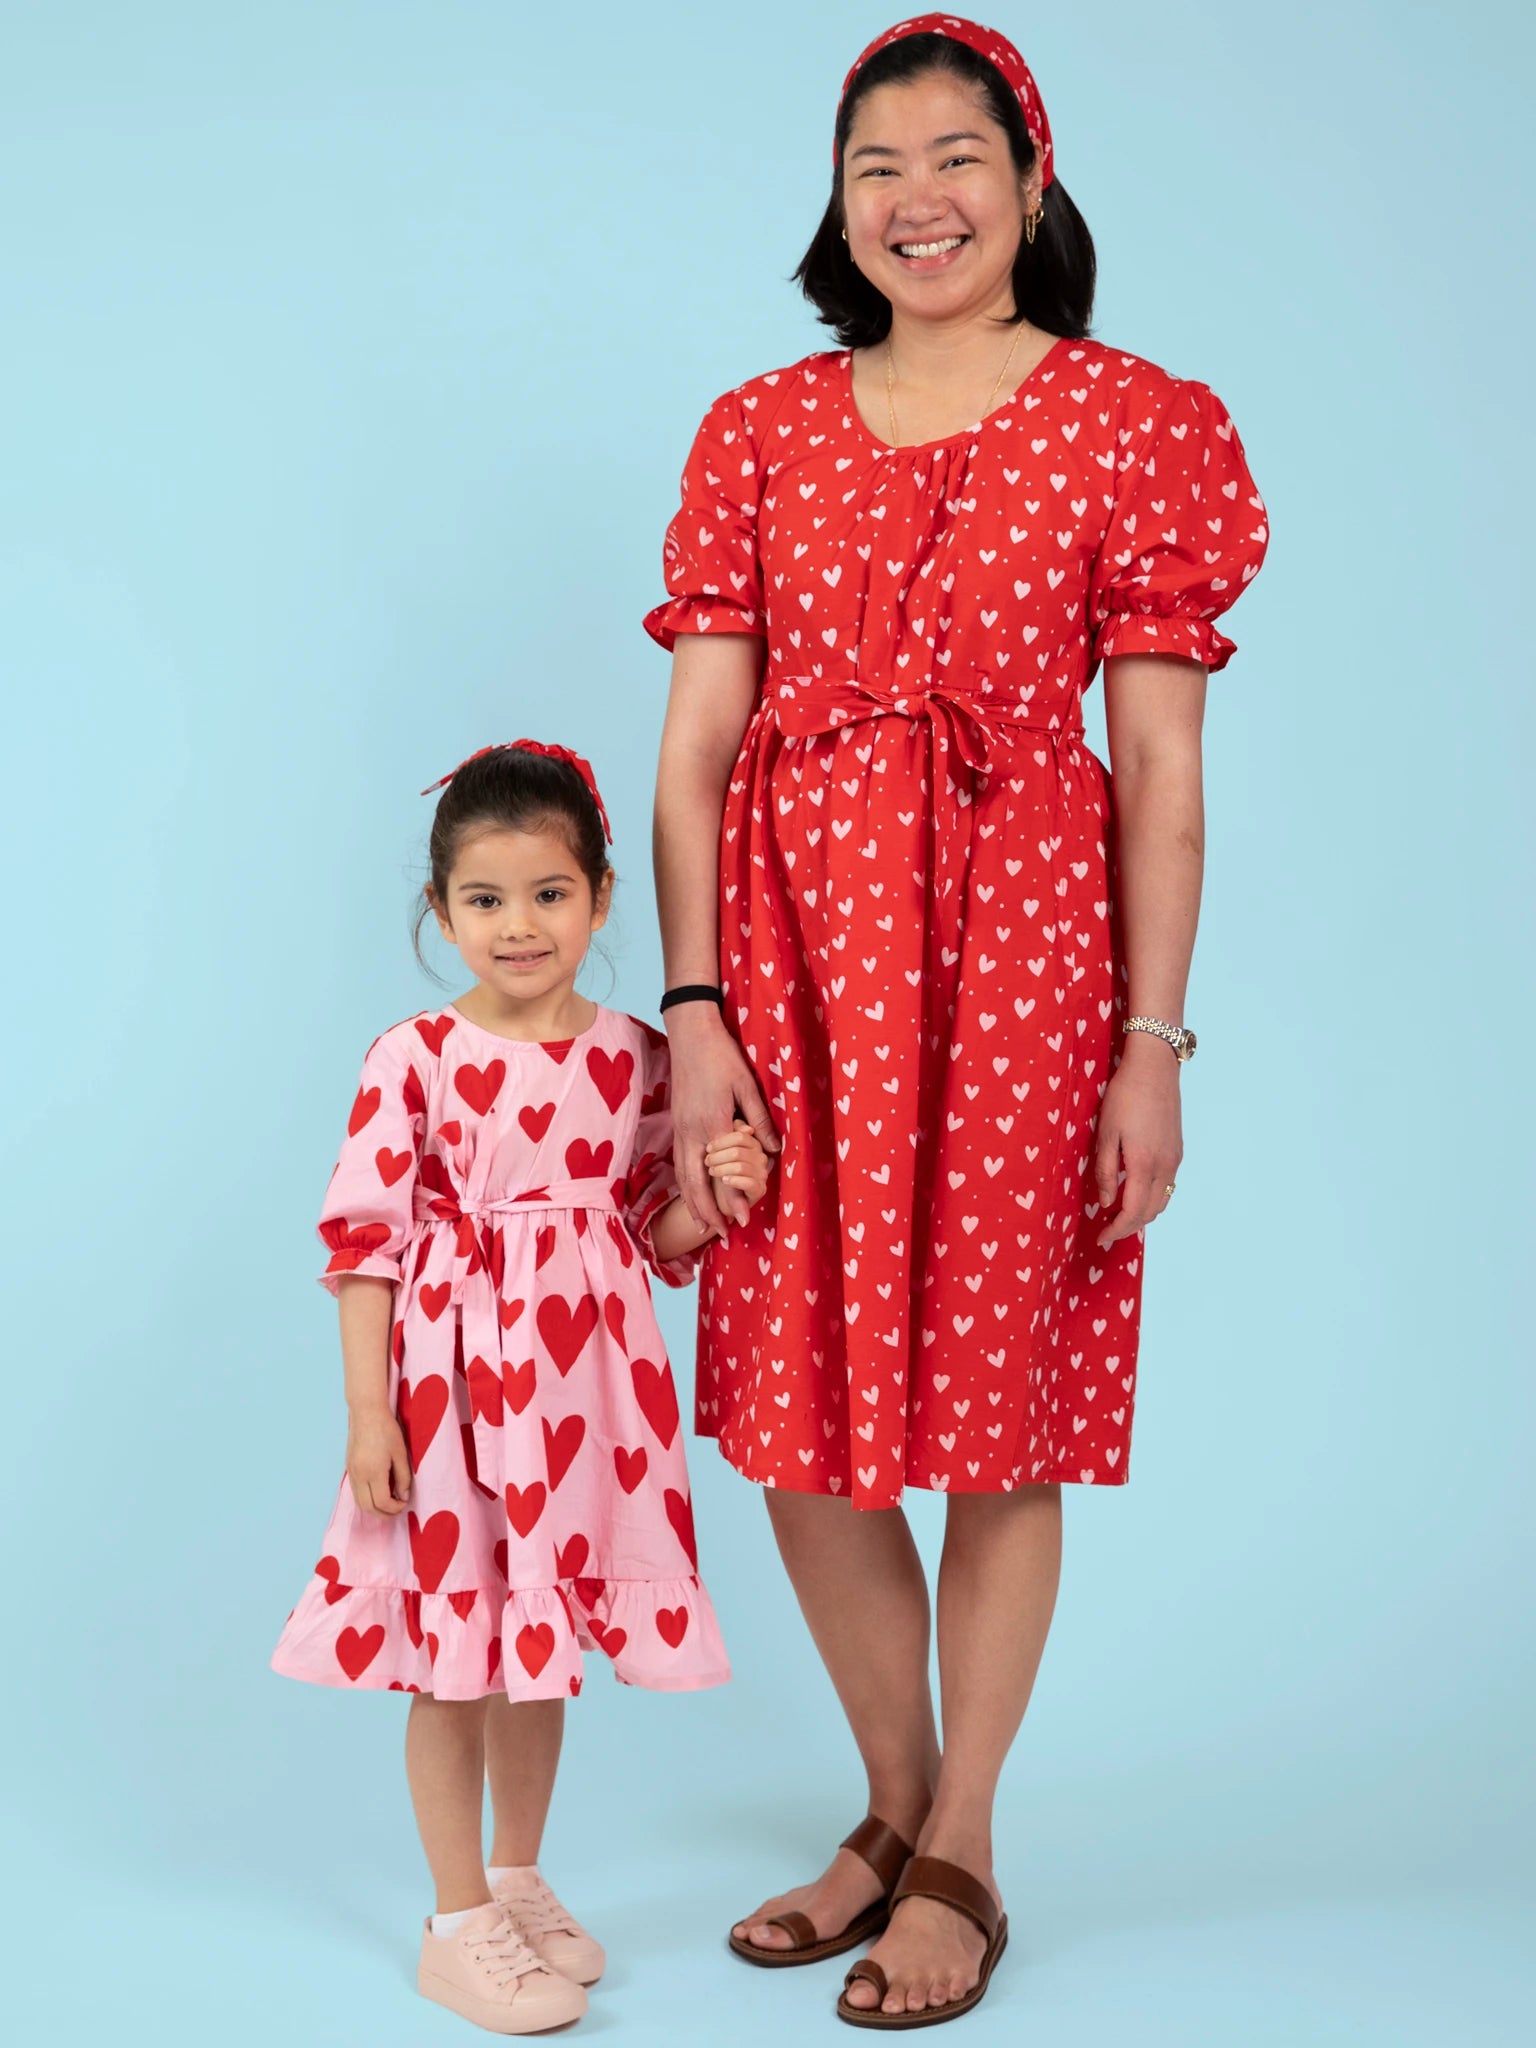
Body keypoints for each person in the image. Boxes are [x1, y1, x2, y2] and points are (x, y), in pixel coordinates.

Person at [646, 14, 1269, 2029]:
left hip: (1022, 967)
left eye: (955, 158)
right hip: (792, 975)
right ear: (840, 211)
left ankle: (966, 1843)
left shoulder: (1140, 422)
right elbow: (690, 761)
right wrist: (691, 1013)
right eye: (873, 168)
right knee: (804, 1424)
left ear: (1029, 183)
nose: (916, 197)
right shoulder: (756, 426)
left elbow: (1160, 770)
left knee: (999, 1421)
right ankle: (899, 1815)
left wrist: (1153, 1044)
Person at [272, 740, 769, 2035]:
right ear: (441, 914)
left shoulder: (639, 1058)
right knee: (455, 1657)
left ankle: (514, 1875)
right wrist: (369, 1412)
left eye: (549, 894)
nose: (519, 925)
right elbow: (363, 1247)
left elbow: (644, 1238)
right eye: (485, 900)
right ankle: (453, 1925)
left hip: (584, 1404)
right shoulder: (415, 1058)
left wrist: (713, 1200)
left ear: (602, 897)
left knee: (540, 1650)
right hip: (449, 1401)